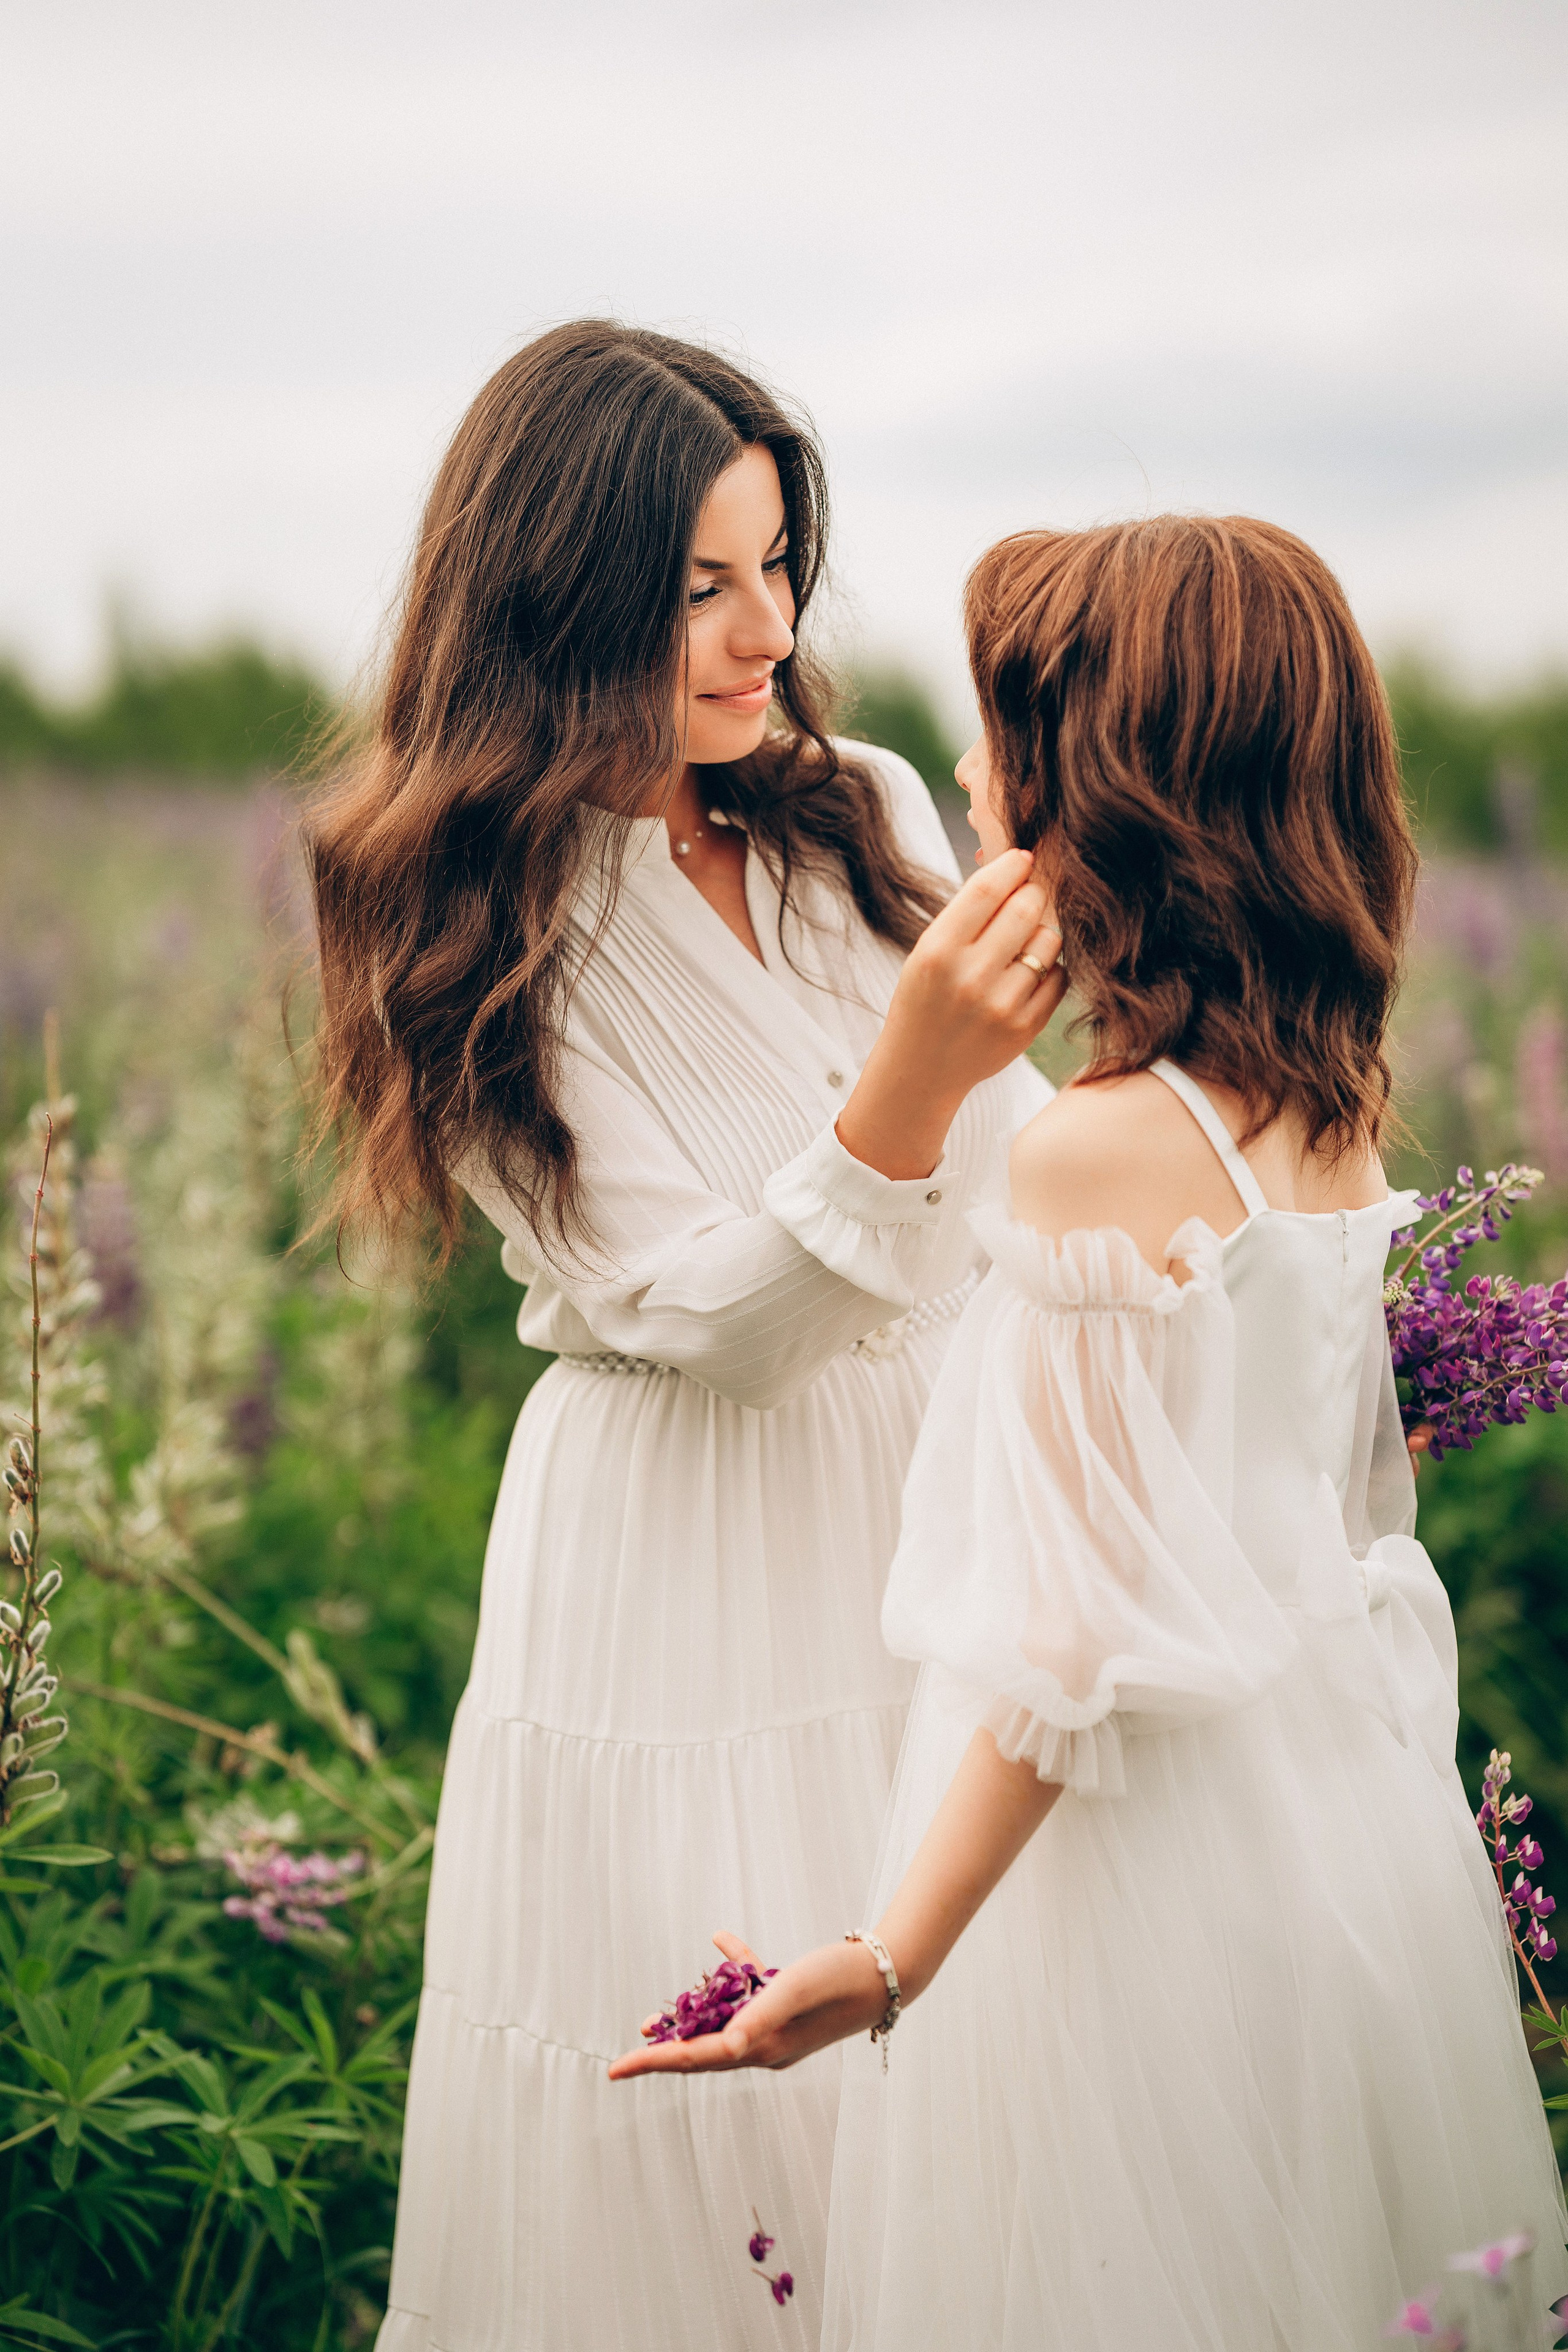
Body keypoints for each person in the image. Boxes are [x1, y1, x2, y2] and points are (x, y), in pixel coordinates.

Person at [610, 514, 1568, 2347]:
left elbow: (1066, 1655)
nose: (960, 768)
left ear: (1100, 781)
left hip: (1145, 1870)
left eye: (992, 729)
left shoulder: (1095, 1149)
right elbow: (1346, 1487)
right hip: (1340, 1819)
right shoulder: (1320, 1101)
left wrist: (891, 1959)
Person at [304, 321, 1058, 2351]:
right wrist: (905, 1079)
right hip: (686, 1551)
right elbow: (709, 1319)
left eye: (779, 568)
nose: (768, 631)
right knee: (714, 2122)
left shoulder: (867, 807)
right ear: (558, 602)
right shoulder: (451, 898)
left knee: (968, 2029)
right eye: (701, 587)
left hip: (939, 1496)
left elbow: (1028, 1184)